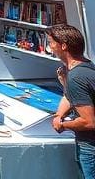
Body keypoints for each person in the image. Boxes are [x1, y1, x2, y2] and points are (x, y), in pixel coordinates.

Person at [48, 24, 95, 178]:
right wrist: (58, 115)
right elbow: (72, 96)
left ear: (63, 46)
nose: (50, 47)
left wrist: (62, 125)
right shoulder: (86, 67)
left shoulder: (76, 77)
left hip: (90, 145)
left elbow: (88, 122)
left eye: (51, 43)